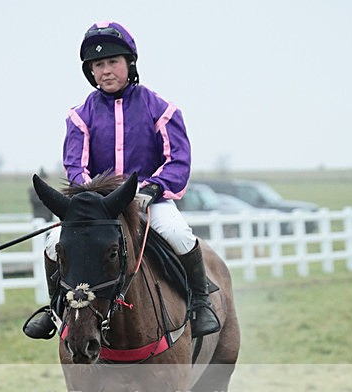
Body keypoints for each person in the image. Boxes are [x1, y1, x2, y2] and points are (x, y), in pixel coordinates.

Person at [24, 20, 220, 340]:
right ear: (90, 71)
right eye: (98, 65)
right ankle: (55, 307)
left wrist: (153, 188)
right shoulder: (79, 116)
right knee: (51, 244)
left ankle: (200, 302)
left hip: (148, 200)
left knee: (179, 234)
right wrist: (92, 199)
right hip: (97, 207)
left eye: (113, 62)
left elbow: (178, 160)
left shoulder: (162, 109)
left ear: (129, 63)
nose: (106, 70)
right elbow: (75, 166)